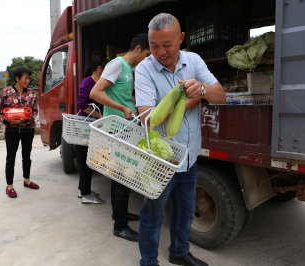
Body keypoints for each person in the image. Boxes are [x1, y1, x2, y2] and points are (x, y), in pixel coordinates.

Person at [134, 14, 226, 266]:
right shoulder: (143, 69)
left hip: (189, 157)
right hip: (159, 160)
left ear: (181, 38)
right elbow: (148, 119)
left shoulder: (194, 61)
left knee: (185, 212)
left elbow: (221, 96)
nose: (160, 52)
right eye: (154, 46)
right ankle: (149, 261)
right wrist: (185, 98)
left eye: (167, 44)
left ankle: (178, 252)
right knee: (153, 216)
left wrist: (203, 90)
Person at [90, 33, 151, 242]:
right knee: (123, 177)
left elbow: (124, 94)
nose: (148, 58)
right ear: (138, 48)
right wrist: (122, 108)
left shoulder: (131, 70)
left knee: (120, 176)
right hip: (117, 128)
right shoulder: (117, 64)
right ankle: (121, 227)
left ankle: (120, 214)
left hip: (127, 128)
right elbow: (95, 93)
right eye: (148, 54)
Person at [0, 67, 40, 198]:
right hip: (11, 130)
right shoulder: (6, 92)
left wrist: (25, 120)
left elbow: (35, 111)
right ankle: (9, 186)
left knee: (27, 156)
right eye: (25, 78)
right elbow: (0, 112)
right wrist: (9, 121)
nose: (28, 80)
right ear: (17, 78)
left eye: (28, 78)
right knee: (10, 158)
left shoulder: (32, 94)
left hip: (28, 130)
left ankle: (27, 180)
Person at [75, 56, 109, 204]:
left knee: (88, 160)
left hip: (93, 127)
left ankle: (82, 190)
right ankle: (86, 195)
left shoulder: (102, 84)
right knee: (85, 161)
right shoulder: (88, 81)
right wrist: (100, 116)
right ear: (100, 69)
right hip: (85, 126)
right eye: (106, 69)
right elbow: (82, 103)